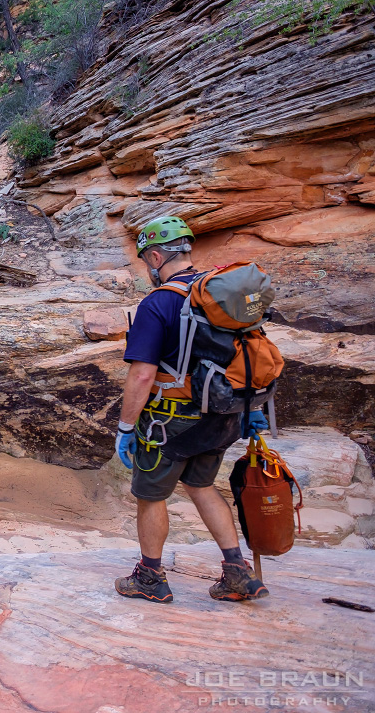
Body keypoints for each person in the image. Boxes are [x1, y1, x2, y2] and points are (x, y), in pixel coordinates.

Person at [115, 215, 269, 604]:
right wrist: (252, 408)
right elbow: (253, 351)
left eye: (145, 260)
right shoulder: (220, 293)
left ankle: (150, 576)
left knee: (151, 495)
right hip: (224, 415)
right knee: (200, 485)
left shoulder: (159, 302)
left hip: (172, 421)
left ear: (154, 257)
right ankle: (238, 572)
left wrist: (126, 426)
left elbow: (141, 375)